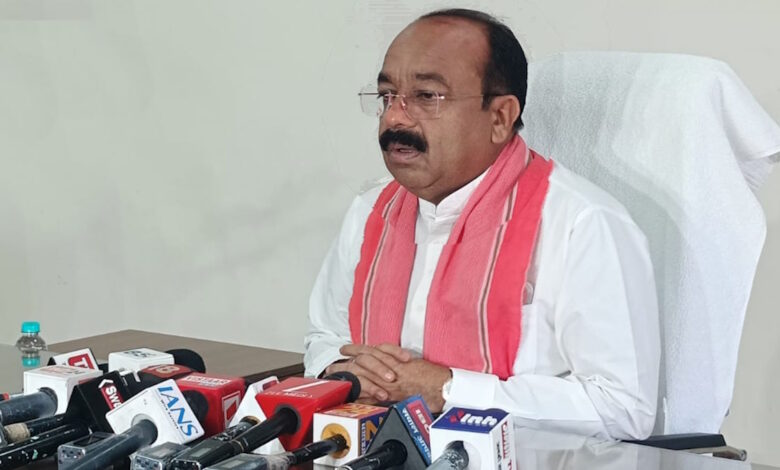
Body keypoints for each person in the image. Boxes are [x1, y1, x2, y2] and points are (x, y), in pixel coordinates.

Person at [304, 8, 660, 440]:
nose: (394, 118)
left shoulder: (582, 224)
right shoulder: (372, 209)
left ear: (500, 117)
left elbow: (623, 409)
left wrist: (448, 390)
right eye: (387, 95)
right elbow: (324, 335)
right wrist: (343, 369)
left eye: (426, 96)